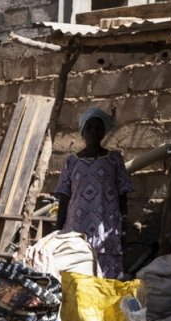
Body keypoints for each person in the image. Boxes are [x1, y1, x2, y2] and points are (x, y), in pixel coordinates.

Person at [54, 107, 134, 279]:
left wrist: (124, 225)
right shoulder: (71, 162)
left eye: (98, 128)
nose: (94, 132)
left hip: (105, 226)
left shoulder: (114, 159)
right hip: (76, 228)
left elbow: (122, 194)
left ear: (104, 132)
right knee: (77, 272)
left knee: (106, 275)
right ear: (83, 131)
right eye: (89, 127)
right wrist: (58, 230)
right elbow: (64, 196)